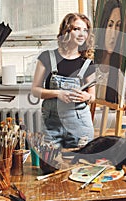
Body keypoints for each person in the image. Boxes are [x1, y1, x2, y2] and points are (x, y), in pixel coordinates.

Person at [31, 13, 95, 148]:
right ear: (66, 31)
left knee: (80, 165)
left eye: (85, 30)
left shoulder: (87, 63)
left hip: (79, 124)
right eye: (77, 29)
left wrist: (86, 96)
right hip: (51, 124)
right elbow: (35, 91)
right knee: (51, 164)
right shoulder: (47, 57)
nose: (82, 34)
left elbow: (93, 96)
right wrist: (58, 93)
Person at [94, 0, 122, 104]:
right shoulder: (90, 68)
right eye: (110, 25)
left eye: (118, 26)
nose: (113, 34)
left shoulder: (120, 76)